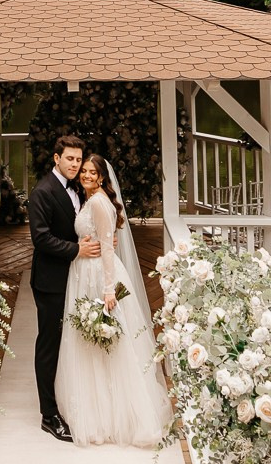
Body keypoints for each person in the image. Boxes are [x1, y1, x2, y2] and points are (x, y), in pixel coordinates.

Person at [53, 153, 174, 447]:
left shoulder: (97, 202)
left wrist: (108, 289)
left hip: (98, 276)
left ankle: (113, 416)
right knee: (91, 341)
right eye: (83, 171)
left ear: (102, 178)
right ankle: (98, 409)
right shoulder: (91, 199)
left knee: (106, 340)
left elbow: (108, 249)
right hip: (84, 270)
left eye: (92, 173)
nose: (85, 176)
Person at [27, 134, 102, 442]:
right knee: (49, 344)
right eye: (69, 158)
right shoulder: (42, 192)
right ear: (56, 158)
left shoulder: (78, 190)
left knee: (69, 340)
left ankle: (69, 398)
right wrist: (76, 250)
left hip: (73, 277)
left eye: (77, 159)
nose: (74, 164)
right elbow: (41, 238)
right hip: (50, 280)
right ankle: (48, 415)